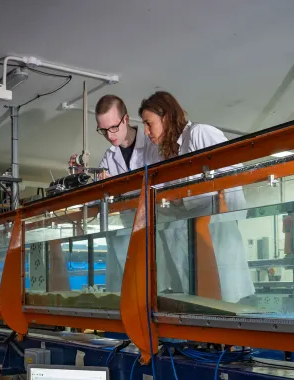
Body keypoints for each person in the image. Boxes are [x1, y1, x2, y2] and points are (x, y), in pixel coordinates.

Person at [138, 91, 254, 304]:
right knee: (201, 306)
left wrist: (184, 199)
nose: (146, 131)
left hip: (216, 237)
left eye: (149, 123)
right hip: (190, 244)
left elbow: (233, 176)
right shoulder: (166, 152)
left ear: (166, 117)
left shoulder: (200, 134)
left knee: (223, 304)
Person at [70, 95, 159, 293]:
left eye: (113, 128)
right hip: (126, 235)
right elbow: (96, 202)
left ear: (125, 120)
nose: (109, 136)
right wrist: (86, 180)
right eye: (103, 130)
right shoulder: (108, 157)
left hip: (156, 231)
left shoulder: (153, 146)